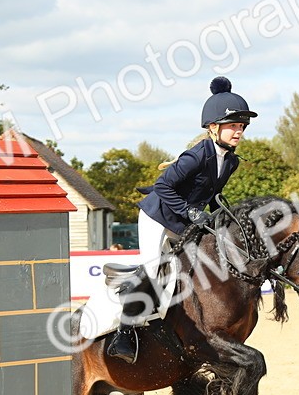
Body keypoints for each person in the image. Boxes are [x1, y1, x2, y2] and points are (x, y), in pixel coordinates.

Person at [106, 76, 257, 363]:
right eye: (233, 126)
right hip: (157, 216)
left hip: (184, 221)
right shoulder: (196, 156)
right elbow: (163, 187)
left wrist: (219, 216)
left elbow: (211, 194)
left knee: (200, 263)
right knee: (154, 270)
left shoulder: (231, 160)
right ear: (214, 128)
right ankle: (123, 335)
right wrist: (190, 212)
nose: (239, 132)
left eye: (241, 126)